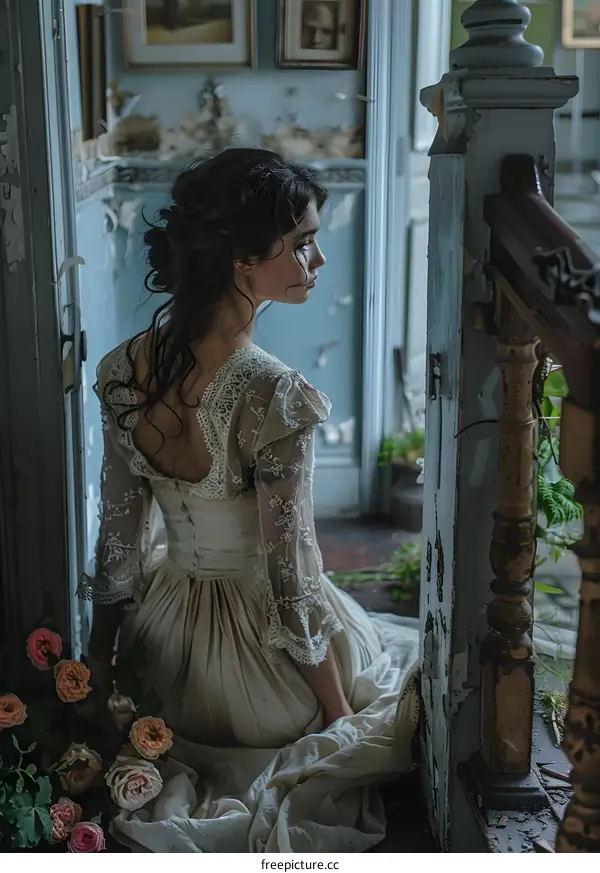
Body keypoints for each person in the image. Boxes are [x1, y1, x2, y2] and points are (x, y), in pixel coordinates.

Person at [80, 148, 420, 853]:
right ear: (243, 261)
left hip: (163, 656)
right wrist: (335, 718)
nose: (318, 260)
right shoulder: (274, 391)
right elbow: (290, 576)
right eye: (301, 243)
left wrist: (105, 667)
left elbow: (118, 543)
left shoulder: (120, 368)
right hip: (260, 679)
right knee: (384, 675)